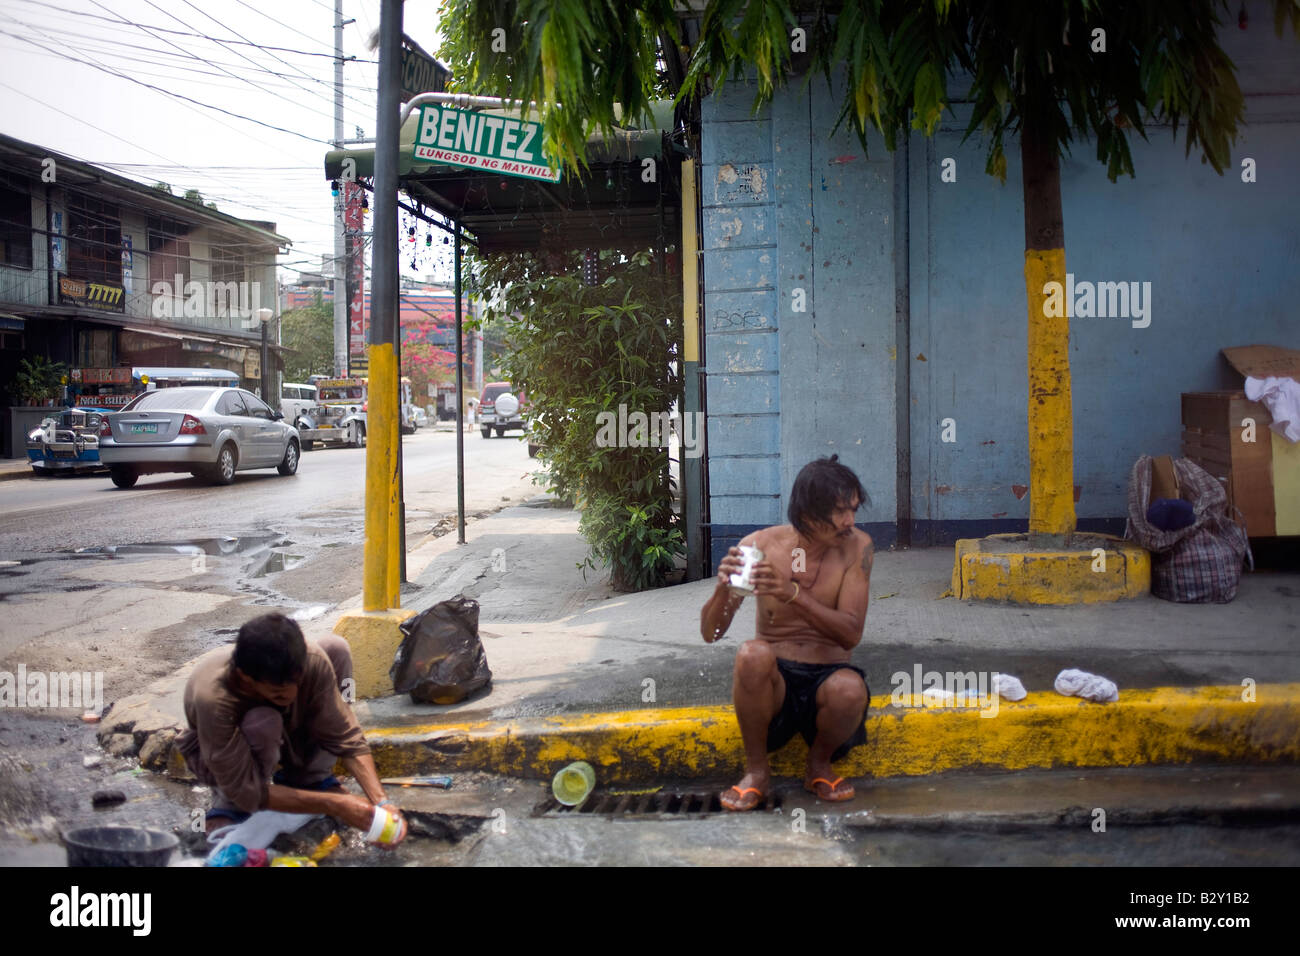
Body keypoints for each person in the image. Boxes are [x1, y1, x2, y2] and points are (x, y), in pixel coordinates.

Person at [700, 455, 874, 811]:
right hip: (774, 685)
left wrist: (791, 594)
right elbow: (712, 633)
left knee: (850, 690)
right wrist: (722, 589)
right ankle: (757, 772)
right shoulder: (759, 547)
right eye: (841, 512)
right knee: (752, 653)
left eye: (853, 509)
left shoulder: (859, 547)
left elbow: (850, 634)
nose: (850, 521)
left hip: (827, 674)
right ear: (809, 514)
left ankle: (819, 765)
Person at [176, 612, 406, 843]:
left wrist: (382, 803)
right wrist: (337, 805)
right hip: (220, 755)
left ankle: (310, 779)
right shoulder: (214, 696)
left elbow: (348, 739)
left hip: (285, 732)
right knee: (264, 721)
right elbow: (247, 791)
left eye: (296, 684)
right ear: (244, 679)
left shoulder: (309, 660)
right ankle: (228, 804)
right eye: (278, 691)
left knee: (335, 648)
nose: (292, 694)